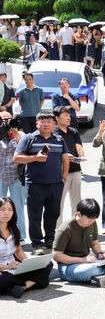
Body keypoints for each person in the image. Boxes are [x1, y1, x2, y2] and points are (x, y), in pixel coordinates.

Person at [13, 110, 70, 256]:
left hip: (56, 184)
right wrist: (35, 158)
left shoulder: (58, 139)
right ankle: (37, 243)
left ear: (54, 124)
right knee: (35, 215)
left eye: (49, 121)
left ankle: (50, 239)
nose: (46, 124)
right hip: (35, 184)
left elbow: (65, 159)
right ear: (37, 123)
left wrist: (63, 178)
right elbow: (17, 158)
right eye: (43, 121)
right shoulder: (29, 138)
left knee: (53, 213)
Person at [53, 198, 105, 288]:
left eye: (94, 220)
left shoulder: (92, 223)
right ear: (79, 214)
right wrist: (82, 260)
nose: (91, 222)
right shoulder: (65, 229)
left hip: (89, 261)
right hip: (69, 266)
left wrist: (100, 253)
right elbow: (56, 256)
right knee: (90, 269)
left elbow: (95, 243)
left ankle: (99, 278)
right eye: (89, 220)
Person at [0, 197, 52, 298]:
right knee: (2, 278)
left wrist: (28, 265)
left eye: (10, 210)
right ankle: (34, 282)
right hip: (3, 270)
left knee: (47, 264)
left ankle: (22, 287)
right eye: (2, 209)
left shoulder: (14, 229)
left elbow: (18, 251)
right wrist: (8, 267)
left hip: (13, 268)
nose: (6, 213)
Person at [53, 107, 84, 231]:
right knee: (58, 203)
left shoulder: (73, 131)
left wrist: (80, 156)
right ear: (57, 118)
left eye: (69, 116)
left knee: (77, 201)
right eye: (65, 115)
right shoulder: (53, 133)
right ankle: (59, 230)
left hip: (76, 170)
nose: (68, 118)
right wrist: (64, 157)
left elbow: (79, 147)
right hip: (60, 173)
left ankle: (75, 228)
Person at [0, 114, 26, 243]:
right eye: (4, 121)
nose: (7, 124)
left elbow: (24, 148)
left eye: (9, 120)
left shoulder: (20, 134)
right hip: (1, 175)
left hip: (16, 176)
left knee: (18, 207)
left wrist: (15, 133)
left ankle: (19, 235)